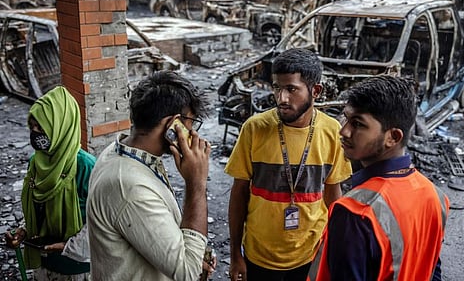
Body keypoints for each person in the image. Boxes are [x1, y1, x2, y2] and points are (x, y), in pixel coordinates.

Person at [225, 48, 352, 281]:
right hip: (258, 255)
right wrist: (235, 254)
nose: (281, 98)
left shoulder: (332, 131)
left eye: (291, 89)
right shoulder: (254, 129)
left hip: (310, 252)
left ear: (316, 91)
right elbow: (239, 193)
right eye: (277, 88)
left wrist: (333, 249)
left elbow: (334, 196)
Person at [307, 75, 450, 281]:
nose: (344, 130)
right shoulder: (436, 197)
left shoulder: (356, 212)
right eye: (346, 119)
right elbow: (432, 270)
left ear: (393, 137)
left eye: (358, 124)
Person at [86, 70, 215, 281]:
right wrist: (196, 182)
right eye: (191, 123)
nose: (193, 133)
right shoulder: (129, 187)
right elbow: (189, 271)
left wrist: (192, 250)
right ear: (173, 124)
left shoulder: (119, 150)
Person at [5, 86, 96, 280]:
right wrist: (24, 230)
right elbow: (38, 207)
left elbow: (100, 220)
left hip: (78, 268)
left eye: (41, 128)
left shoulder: (85, 167)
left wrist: (69, 247)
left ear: (61, 128)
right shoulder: (36, 163)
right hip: (45, 264)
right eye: (32, 128)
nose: (35, 134)